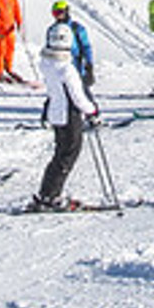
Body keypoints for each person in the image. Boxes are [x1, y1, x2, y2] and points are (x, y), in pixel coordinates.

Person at [30, 21, 99, 211]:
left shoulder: (47, 64)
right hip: (69, 115)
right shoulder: (67, 69)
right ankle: (51, 195)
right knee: (68, 154)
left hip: (55, 113)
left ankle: (47, 193)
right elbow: (78, 97)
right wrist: (92, 110)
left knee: (60, 154)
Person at [50, 0, 94, 87]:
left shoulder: (76, 28)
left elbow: (86, 47)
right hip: (58, 65)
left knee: (80, 92)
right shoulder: (52, 30)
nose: (57, 16)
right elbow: (49, 46)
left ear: (66, 11)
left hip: (75, 65)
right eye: (55, 13)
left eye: (59, 12)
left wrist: (89, 65)